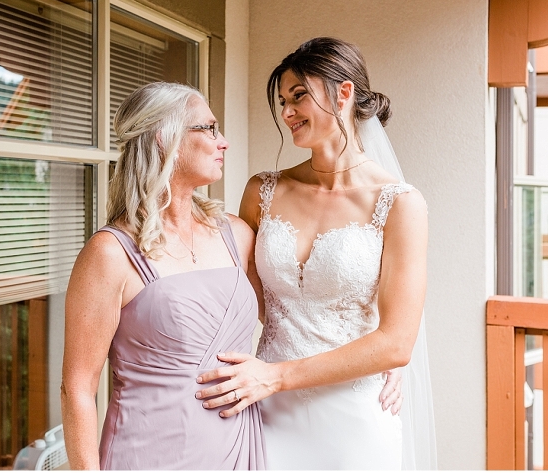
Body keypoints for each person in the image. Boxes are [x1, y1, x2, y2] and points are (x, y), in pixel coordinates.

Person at [195, 37, 437, 469]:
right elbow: (236, 293)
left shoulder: (401, 204)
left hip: (353, 415)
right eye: (283, 101)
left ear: (343, 93)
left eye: (299, 96)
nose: (286, 113)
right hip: (264, 409)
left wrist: (277, 376)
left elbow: (398, 343)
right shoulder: (262, 191)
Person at [60, 82, 267, 469]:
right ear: (164, 138)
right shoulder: (110, 253)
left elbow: (287, 322)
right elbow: (77, 388)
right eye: (209, 128)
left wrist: (373, 359)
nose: (223, 142)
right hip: (151, 453)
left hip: (238, 448)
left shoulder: (237, 235)